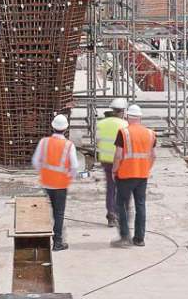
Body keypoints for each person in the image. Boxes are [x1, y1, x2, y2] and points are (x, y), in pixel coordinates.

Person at [32, 113, 86, 251]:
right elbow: (74, 166)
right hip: (61, 184)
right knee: (59, 212)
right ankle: (57, 242)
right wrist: (70, 177)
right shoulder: (68, 145)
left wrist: (43, 174)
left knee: (52, 210)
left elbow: (36, 161)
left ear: (53, 127)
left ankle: (47, 239)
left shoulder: (44, 142)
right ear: (66, 129)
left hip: (47, 182)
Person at [111, 104, 155, 248]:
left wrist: (114, 171)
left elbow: (118, 155)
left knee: (120, 204)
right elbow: (153, 156)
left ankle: (125, 236)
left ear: (127, 117)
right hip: (142, 175)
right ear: (140, 117)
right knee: (140, 205)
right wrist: (146, 168)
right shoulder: (150, 133)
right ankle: (139, 239)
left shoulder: (124, 133)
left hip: (125, 175)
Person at [94, 98, 128, 227]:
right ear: (123, 111)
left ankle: (111, 215)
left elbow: (97, 140)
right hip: (121, 161)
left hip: (106, 160)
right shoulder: (124, 125)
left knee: (110, 187)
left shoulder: (101, 124)